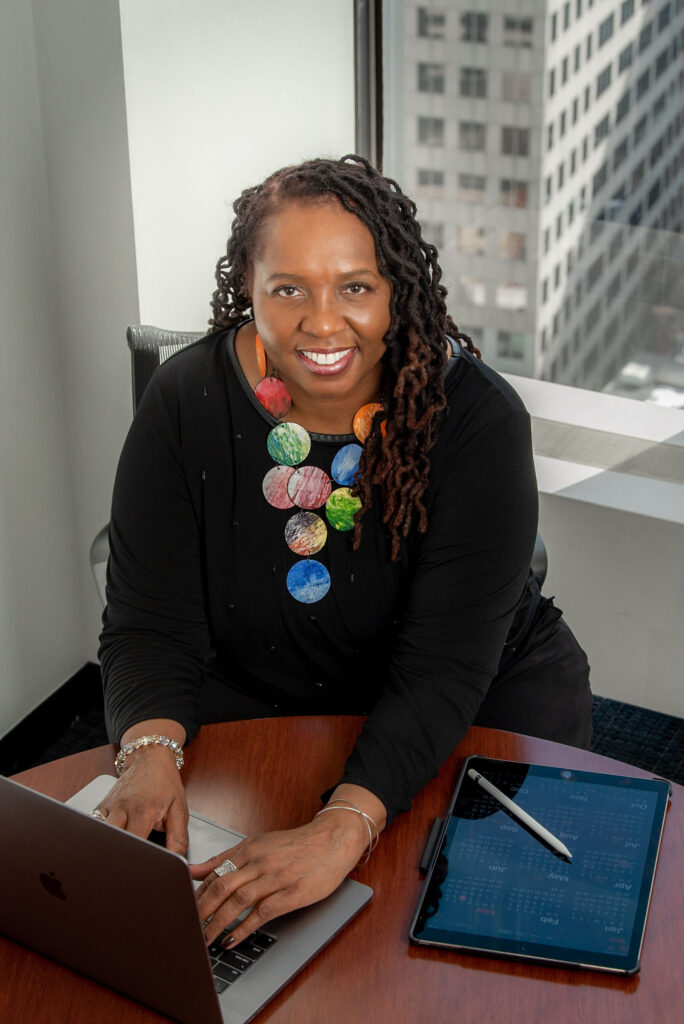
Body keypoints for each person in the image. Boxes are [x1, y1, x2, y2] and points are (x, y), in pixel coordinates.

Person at [96, 155, 592, 949]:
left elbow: (442, 671)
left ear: (398, 290)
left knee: (476, 941)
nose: (323, 324)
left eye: (355, 286)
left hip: (474, 699)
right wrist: (149, 752)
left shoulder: (477, 421)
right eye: (288, 288)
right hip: (262, 696)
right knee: (228, 935)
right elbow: (150, 620)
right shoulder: (183, 402)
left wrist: (343, 824)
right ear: (247, 291)